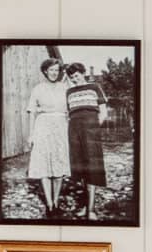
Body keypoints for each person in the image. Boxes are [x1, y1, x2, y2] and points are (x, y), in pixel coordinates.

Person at [25, 56, 69, 217]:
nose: (54, 73)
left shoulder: (65, 87)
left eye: (57, 70)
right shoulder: (38, 88)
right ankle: (49, 205)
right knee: (44, 164)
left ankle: (56, 202)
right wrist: (31, 135)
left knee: (59, 164)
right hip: (42, 126)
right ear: (45, 71)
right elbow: (31, 112)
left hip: (61, 127)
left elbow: (71, 108)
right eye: (51, 70)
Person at [63, 61, 106, 205]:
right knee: (79, 164)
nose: (75, 79)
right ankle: (85, 204)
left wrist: (93, 128)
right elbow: (67, 113)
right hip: (74, 129)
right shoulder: (69, 92)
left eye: (76, 75)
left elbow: (103, 112)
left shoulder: (94, 87)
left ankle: (91, 209)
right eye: (72, 77)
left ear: (82, 73)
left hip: (90, 128)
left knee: (92, 165)